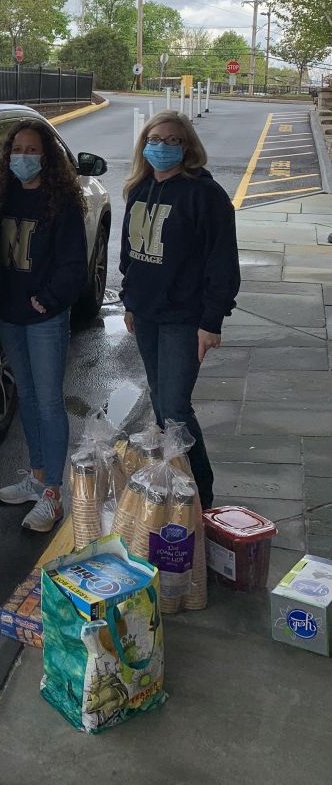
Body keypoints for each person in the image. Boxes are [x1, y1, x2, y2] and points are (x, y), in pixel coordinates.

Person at [120, 110, 240, 510]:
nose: (162, 146)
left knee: (174, 409)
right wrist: (131, 301)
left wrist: (211, 322)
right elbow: (129, 253)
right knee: (159, 402)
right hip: (148, 314)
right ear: (144, 145)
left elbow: (222, 262)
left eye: (173, 140)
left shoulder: (205, 195)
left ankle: (202, 497)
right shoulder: (138, 189)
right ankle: (175, 484)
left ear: (187, 146)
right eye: (155, 138)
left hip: (183, 318)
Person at [0, 119, 88, 533]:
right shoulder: (4, 197)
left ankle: (53, 492)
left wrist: (46, 298)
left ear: (47, 157)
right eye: (18, 149)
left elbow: (74, 267)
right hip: (9, 315)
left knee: (49, 401)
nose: (23, 157)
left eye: (32, 151)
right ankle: (35, 475)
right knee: (27, 397)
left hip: (45, 317)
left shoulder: (62, 203)